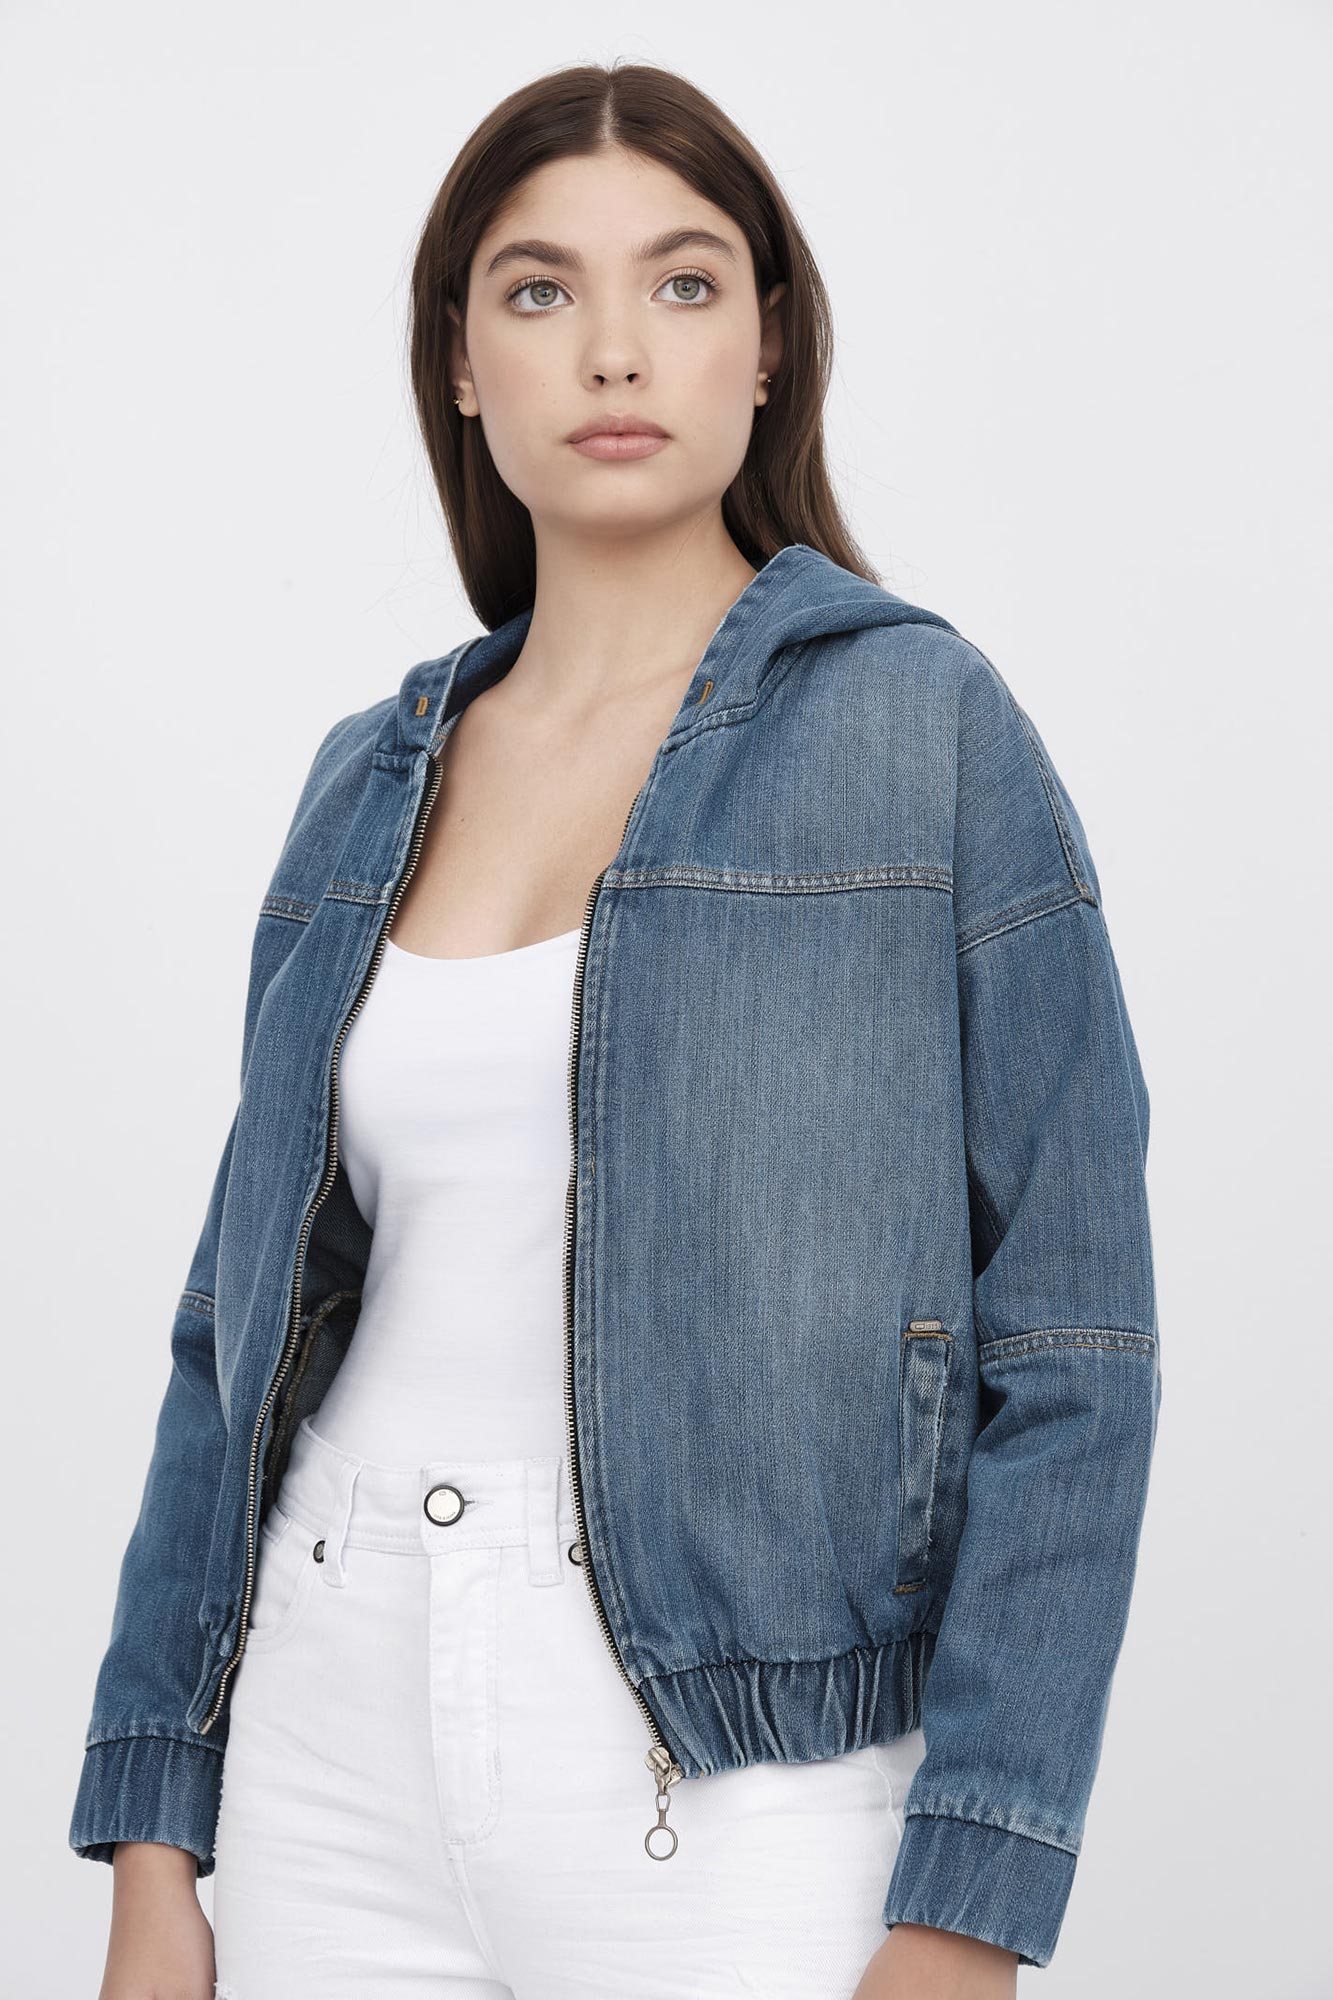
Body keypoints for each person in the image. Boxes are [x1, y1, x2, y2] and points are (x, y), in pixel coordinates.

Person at [71, 60, 1162, 2000]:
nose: (611, 350)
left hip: (739, 1780)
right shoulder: (366, 782)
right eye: (537, 289)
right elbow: (228, 1339)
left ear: (767, 345)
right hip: (329, 1742)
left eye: (679, 282)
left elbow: (1074, 1348)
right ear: (461, 363)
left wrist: (966, 1902)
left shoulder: (921, 732)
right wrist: (156, 1837)